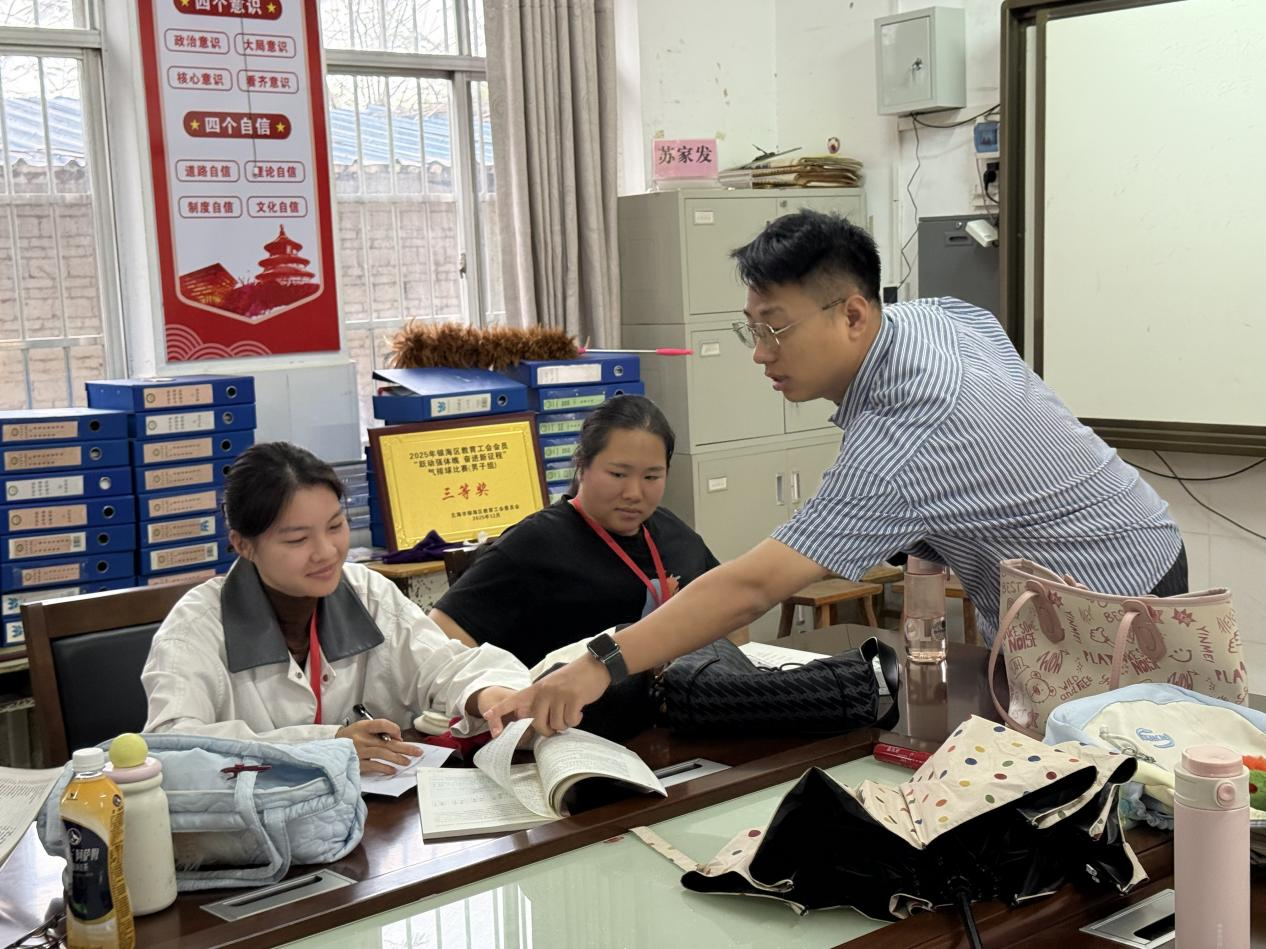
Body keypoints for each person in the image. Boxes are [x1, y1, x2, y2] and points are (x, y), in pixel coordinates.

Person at [486, 209, 1186, 736]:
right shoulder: (936, 316)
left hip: (1104, 608)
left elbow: (754, 585)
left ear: (852, 314)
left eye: (775, 327)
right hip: (1130, 544)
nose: (760, 352)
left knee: (1106, 790)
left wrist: (600, 663)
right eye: (752, 327)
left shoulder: (910, 433)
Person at [141, 441, 531, 775]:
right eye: (297, 540)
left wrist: (486, 692)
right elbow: (171, 749)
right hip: (253, 829)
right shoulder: (196, 627)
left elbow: (444, 666)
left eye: (335, 526)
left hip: (375, 815)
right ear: (243, 544)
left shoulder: (366, 591)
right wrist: (327, 745)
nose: (326, 552)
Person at [429, 394, 737, 669]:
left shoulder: (675, 533)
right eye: (618, 474)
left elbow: (731, 608)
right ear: (582, 465)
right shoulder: (534, 544)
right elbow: (441, 635)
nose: (634, 493)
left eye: (651, 477)